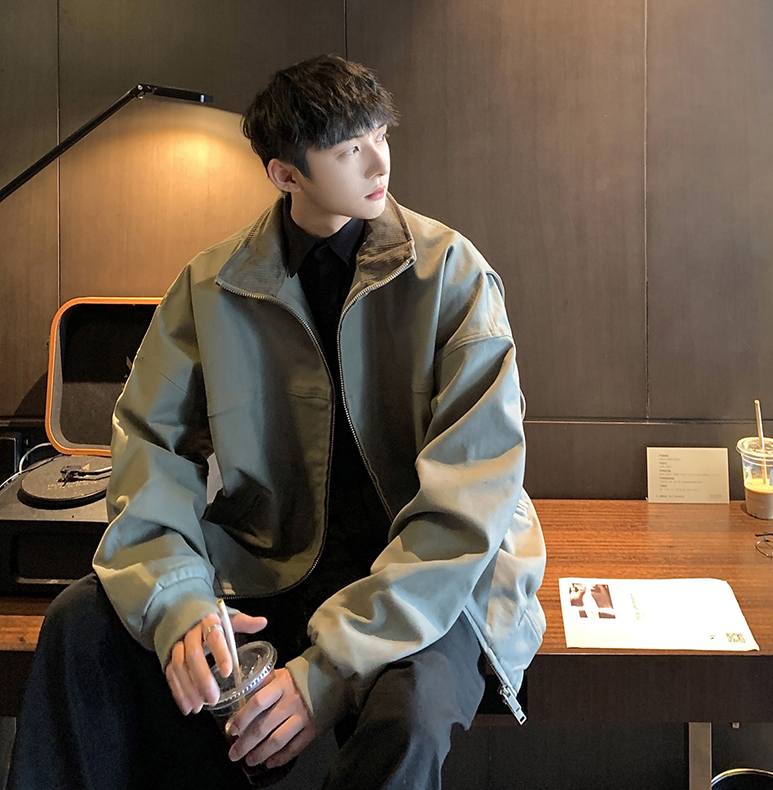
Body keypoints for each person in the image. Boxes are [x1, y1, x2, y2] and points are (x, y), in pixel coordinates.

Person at [8, 54, 546, 790]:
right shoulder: (211, 285)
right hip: (270, 560)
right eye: (348, 148)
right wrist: (180, 601)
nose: (379, 162)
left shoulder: (454, 275)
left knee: (410, 716)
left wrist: (322, 676)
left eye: (380, 134)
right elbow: (150, 450)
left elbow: (469, 504)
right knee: (81, 624)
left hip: (430, 581)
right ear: (285, 173)